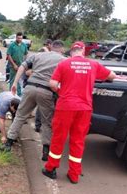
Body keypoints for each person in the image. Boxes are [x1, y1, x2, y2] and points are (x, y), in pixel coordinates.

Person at [42, 41, 115, 184]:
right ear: (83, 51)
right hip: (84, 108)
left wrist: (61, 91)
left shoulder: (64, 64)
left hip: (65, 106)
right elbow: (111, 76)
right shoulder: (93, 64)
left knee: (58, 138)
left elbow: (52, 84)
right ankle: (74, 174)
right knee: (78, 141)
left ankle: (51, 168)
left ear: (71, 51)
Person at [0, 40, 66, 157]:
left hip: (29, 88)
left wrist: (15, 82)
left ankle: (8, 143)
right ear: (62, 50)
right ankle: (46, 151)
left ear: (51, 47)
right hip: (46, 91)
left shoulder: (38, 55)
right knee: (47, 122)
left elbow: (22, 66)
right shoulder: (63, 60)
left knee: (20, 115)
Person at [6, 32, 28, 96]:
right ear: (16, 37)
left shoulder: (24, 45)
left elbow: (26, 54)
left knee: (18, 79)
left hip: (21, 66)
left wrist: (25, 63)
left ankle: (18, 94)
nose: (20, 39)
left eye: (21, 38)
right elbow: (9, 55)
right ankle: (10, 94)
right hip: (13, 66)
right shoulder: (12, 45)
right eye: (18, 38)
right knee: (12, 80)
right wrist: (14, 65)